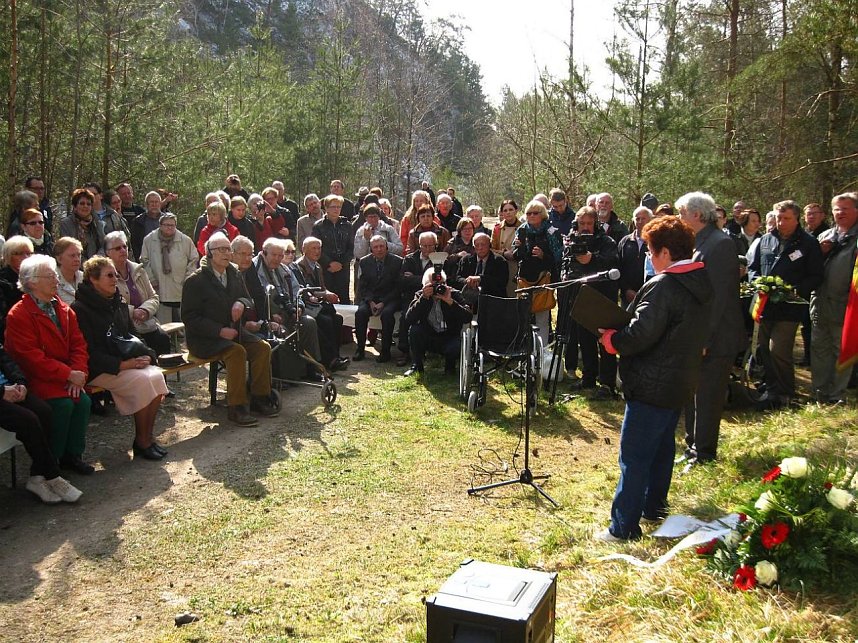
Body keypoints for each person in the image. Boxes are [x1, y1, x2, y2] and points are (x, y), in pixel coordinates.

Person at [594, 216, 712, 541]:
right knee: (662, 449)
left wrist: (613, 341)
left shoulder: (664, 286)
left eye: (649, 249)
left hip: (651, 383)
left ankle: (622, 528)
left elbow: (641, 333)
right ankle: (653, 507)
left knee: (633, 457)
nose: (647, 256)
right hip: (679, 381)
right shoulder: (701, 280)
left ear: (663, 251)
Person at [72, 256, 169, 460]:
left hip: (125, 363)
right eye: (109, 275)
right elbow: (87, 353)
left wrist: (146, 355)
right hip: (99, 368)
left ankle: (146, 438)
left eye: (115, 274)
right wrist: (123, 364)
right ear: (93, 279)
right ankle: (142, 442)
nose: (115, 279)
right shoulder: (80, 309)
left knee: (156, 376)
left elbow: (132, 335)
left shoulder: (118, 302)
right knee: (143, 382)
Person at [5, 255, 93, 475]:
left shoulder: (63, 309)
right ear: (32, 282)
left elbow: (78, 344)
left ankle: (72, 455)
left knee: (81, 401)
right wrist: (67, 374)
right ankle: (50, 460)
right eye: (50, 276)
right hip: (38, 378)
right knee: (62, 405)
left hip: (66, 374)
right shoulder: (18, 315)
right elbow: (30, 358)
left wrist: (79, 372)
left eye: (55, 275)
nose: (56, 280)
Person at [677, 191, 746, 468]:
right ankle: (692, 446)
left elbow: (717, 297)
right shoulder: (699, 241)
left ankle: (704, 453)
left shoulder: (720, 244)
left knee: (707, 396)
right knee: (692, 393)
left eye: (682, 214)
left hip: (716, 337)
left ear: (696, 214)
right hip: (699, 333)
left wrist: (704, 338)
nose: (679, 219)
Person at [182, 233, 278, 426]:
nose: (227, 253)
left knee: (262, 347)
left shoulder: (233, 273)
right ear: (209, 253)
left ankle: (260, 398)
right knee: (237, 352)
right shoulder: (195, 281)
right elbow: (190, 318)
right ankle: (237, 407)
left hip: (234, 332)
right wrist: (219, 331)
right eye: (221, 249)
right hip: (205, 339)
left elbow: (247, 298)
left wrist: (241, 304)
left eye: (228, 249)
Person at [747, 200, 824, 409]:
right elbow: (753, 268)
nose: (781, 222)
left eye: (786, 218)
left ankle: (785, 394)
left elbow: (816, 275)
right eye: (778, 218)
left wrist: (793, 289)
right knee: (762, 349)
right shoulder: (765, 240)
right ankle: (771, 391)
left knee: (778, 349)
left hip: (790, 306)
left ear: (796, 218)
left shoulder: (807, 243)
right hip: (764, 305)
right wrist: (758, 283)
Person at [0, 344, 82, 503]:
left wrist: (20, 382)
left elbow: (6, 360)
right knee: (28, 419)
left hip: (10, 388)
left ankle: (37, 477)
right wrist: (2, 392)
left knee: (44, 411)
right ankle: (52, 475)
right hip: (2, 394)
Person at [243, 237, 326, 380]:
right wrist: (270, 315)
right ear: (264, 253)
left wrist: (298, 306)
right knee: (282, 331)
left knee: (308, 323)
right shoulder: (254, 270)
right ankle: (287, 376)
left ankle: (311, 368)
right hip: (269, 315)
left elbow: (297, 289)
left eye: (280, 255)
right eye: (274, 255)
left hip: (288, 312)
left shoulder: (284, 269)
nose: (277, 259)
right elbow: (255, 298)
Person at [565, 206, 620, 397]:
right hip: (580, 295)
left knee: (605, 341)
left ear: (595, 223)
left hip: (602, 297)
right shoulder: (571, 240)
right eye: (582, 223)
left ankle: (607, 384)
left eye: (589, 223)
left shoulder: (606, 241)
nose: (585, 227)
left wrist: (590, 259)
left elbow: (611, 264)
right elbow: (566, 266)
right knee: (585, 339)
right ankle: (588, 378)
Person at [811, 193, 858, 405]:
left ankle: (837, 394)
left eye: (845, 209)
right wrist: (819, 254)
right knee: (819, 349)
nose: (840, 213)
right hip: (820, 305)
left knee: (842, 349)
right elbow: (809, 270)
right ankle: (820, 393)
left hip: (846, 307)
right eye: (837, 209)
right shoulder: (825, 237)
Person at [105, 232, 172, 356]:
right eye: (118, 248)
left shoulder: (139, 270)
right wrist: (132, 312)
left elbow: (154, 297)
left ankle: (163, 376)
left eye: (125, 246)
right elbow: (109, 304)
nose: (123, 250)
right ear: (108, 252)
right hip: (125, 328)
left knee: (162, 339)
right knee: (140, 349)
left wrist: (145, 311)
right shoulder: (106, 276)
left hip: (147, 323)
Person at [403, 266, 473, 376]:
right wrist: (424, 298)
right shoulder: (420, 295)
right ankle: (417, 366)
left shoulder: (453, 294)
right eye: (433, 285)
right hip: (428, 336)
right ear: (425, 285)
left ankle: (450, 368)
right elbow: (409, 318)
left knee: (454, 346)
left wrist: (450, 302)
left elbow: (467, 317)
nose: (437, 288)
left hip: (449, 336)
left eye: (441, 284)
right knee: (414, 330)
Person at [293, 236, 349, 372]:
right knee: (326, 321)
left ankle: (335, 356)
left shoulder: (317, 266)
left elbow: (322, 288)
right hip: (306, 305)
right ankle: (328, 360)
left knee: (337, 319)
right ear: (304, 250)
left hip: (317, 304)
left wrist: (329, 294)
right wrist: (325, 295)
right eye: (313, 248)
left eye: (319, 248)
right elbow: (304, 291)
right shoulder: (298, 266)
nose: (317, 251)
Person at [513, 200, 562, 347]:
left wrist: (543, 255)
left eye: (535, 213)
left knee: (542, 315)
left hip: (544, 278)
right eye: (528, 213)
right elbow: (516, 256)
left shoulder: (551, 231)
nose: (531, 216)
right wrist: (519, 248)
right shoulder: (521, 230)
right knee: (524, 316)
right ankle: (525, 349)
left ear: (543, 215)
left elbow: (558, 257)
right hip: (525, 278)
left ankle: (543, 349)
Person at [139, 213, 199, 324]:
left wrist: (188, 278)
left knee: (183, 323)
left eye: (172, 225)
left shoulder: (185, 240)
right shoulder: (149, 239)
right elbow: (144, 260)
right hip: (159, 286)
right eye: (167, 225)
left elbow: (194, 259)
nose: (170, 227)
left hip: (180, 286)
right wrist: (151, 279)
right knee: (164, 325)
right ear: (160, 225)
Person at [353, 236, 402, 363]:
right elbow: (363, 286)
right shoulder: (364, 262)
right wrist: (370, 301)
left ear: (386, 247)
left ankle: (385, 351)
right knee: (360, 313)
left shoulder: (398, 261)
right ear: (371, 249)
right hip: (371, 298)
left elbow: (398, 287)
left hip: (390, 298)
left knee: (387, 314)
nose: (379, 249)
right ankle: (360, 349)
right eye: (376, 247)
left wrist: (383, 302)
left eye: (381, 246)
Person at [312, 194, 354, 305]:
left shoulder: (347, 225)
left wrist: (341, 263)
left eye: (339, 207)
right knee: (328, 300)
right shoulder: (318, 226)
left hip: (343, 268)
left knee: (344, 298)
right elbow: (316, 248)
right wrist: (329, 263)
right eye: (333, 207)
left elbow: (351, 247)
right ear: (326, 208)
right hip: (326, 269)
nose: (336, 209)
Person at [452, 232, 509, 308]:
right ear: (473, 246)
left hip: (493, 302)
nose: (480, 248)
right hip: (470, 301)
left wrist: (480, 279)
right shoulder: (466, 260)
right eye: (477, 245)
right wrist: (467, 281)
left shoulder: (500, 261)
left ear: (489, 245)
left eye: (483, 244)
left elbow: (501, 283)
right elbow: (457, 278)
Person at [617, 206, 653, 306]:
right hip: (627, 297)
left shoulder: (656, 242)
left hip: (649, 296)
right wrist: (626, 290)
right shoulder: (625, 242)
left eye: (643, 218)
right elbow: (618, 267)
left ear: (650, 220)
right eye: (637, 218)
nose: (640, 221)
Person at [0, 235, 34, 337]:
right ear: (8, 256)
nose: (25, 257)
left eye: (29, 253)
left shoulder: (38, 278)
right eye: (19, 254)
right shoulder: (3, 282)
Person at [59, 188, 106, 260]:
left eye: (88, 204)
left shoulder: (97, 223)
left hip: (96, 263)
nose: (85, 206)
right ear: (75, 206)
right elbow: (67, 248)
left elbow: (103, 245)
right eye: (82, 203)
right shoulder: (66, 224)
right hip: (75, 264)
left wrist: (96, 260)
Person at [492, 199, 522, 297]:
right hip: (501, 266)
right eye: (505, 210)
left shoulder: (524, 227)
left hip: (518, 268)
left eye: (511, 209)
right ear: (501, 213)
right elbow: (491, 249)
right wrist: (504, 253)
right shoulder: (497, 229)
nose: (508, 212)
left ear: (516, 210)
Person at [53, 237, 84, 305]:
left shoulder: (84, 278)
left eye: (79, 255)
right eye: (72, 256)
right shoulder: (52, 281)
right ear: (59, 259)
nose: (77, 259)